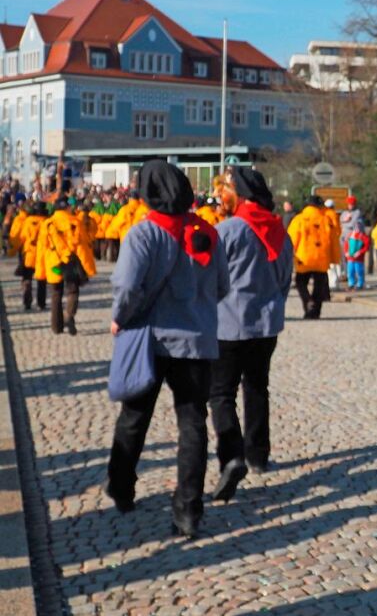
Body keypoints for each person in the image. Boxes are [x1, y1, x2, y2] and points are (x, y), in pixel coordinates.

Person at [106, 160, 228, 539]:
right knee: (192, 423)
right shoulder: (207, 233)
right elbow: (222, 286)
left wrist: (120, 317)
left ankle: (122, 487)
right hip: (197, 342)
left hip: (152, 340)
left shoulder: (142, 234)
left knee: (134, 417)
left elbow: (127, 287)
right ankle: (189, 509)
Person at [210, 168, 293, 499]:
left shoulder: (227, 230)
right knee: (258, 388)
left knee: (221, 393)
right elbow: (285, 278)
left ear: (241, 195)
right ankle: (258, 455)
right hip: (266, 324)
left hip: (229, 324)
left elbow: (211, 278)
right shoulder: (279, 231)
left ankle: (233, 457)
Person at [34, 197, 96, 335]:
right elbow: (82, 247)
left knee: (56, 293)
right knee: (73, 291)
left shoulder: (47, 224)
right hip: (70, 264)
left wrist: (40, 271)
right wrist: (88, 267)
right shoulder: (75, 222)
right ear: (67, 208)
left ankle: (56, 326)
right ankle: (69, 315)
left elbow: (41, 249)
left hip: (54, 265)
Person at [287, 195, 338, 319]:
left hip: (304, 257)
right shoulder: (327, 219)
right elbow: (335, 238)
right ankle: (316, 312)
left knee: (300, 282)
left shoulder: (299, 219)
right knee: (319, 285)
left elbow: (291, 239)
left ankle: (308, 301)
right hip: (322, 257)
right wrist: (334, 258)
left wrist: (288, 255)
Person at [11, 202, 47, 311]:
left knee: (27, 278)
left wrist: (14, 251)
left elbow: (20, 238)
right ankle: (41, 303)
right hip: (41, 255)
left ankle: (27, 302)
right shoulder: (46, 222)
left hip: (28, 254)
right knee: (41, 280)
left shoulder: (27, 222)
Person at [323, 199, 344, 291]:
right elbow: (338, 230)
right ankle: (335, 283)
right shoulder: (335, 215)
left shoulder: (326, 215)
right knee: (336, 264)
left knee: (330, 265)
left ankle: (333, 284)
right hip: (335, 242)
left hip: (328, 242)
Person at [344, 220, 369, 290]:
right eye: (356, 227)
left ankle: (360, 284)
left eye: (358, 227)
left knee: (359, 271)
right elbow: (346, 244)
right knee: (350, 271)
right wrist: (346, 252)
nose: (357, 228)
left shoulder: (363, 236)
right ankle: (351, 284)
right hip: (350, 258)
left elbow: (366, 247)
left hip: (359, 259)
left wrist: (359, 252)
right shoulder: (350, 235)